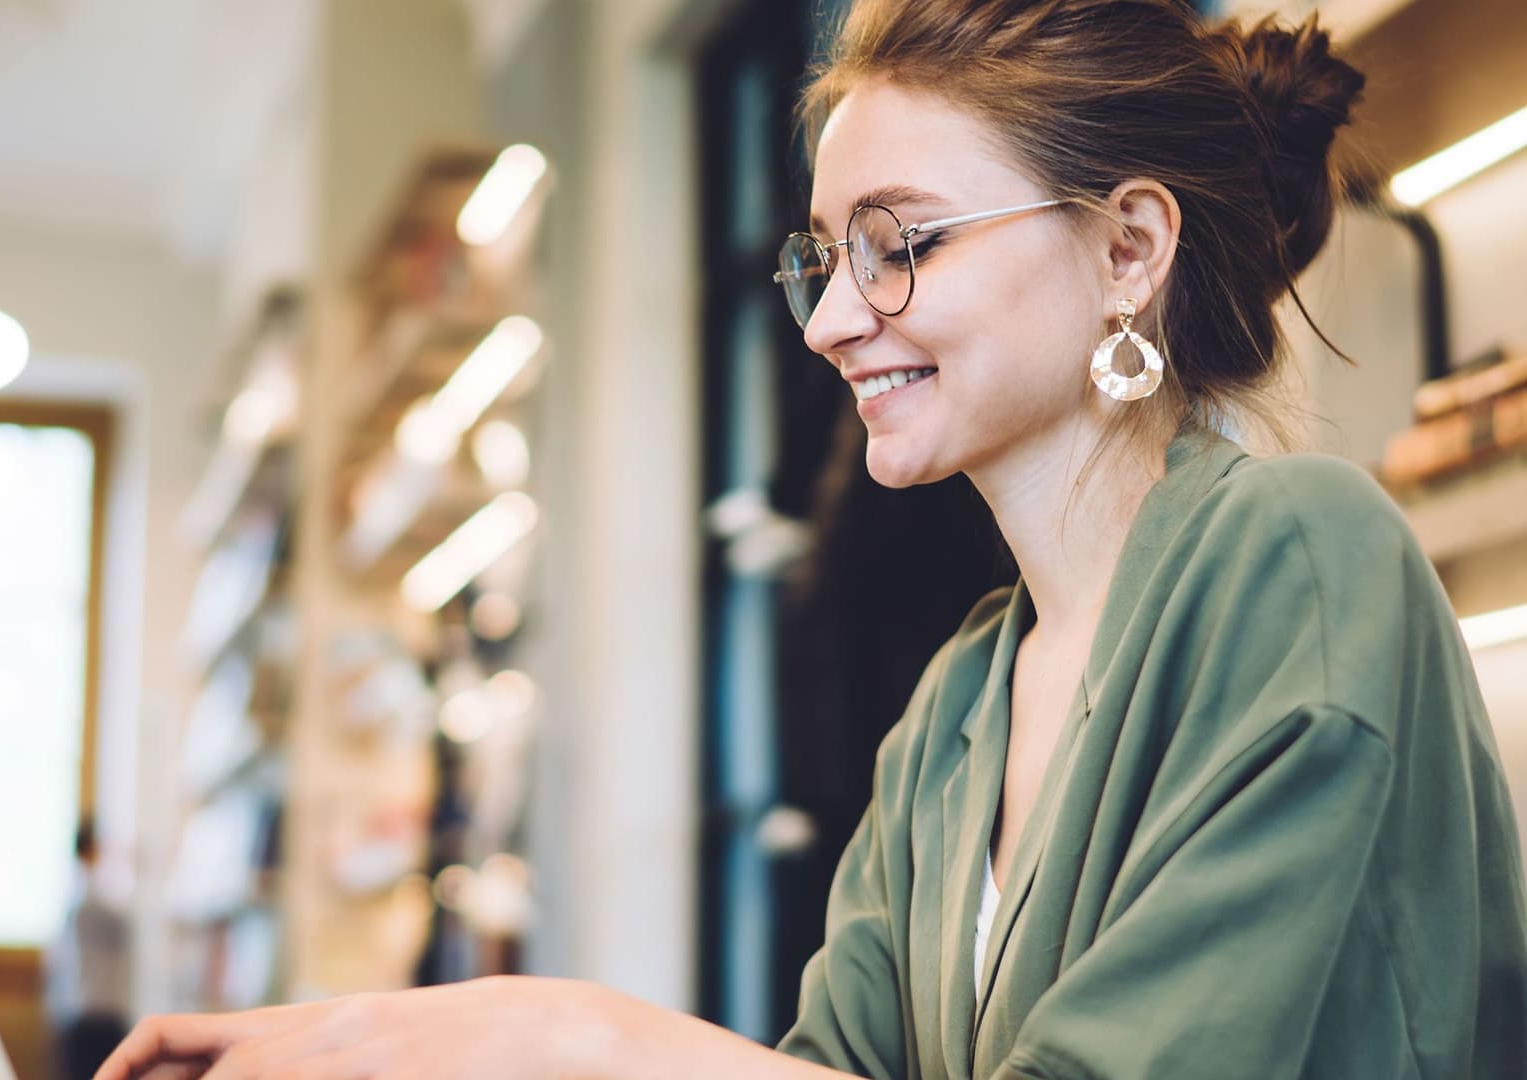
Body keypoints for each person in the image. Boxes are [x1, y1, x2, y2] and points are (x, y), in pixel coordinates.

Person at [91, 0, 1527, 1076]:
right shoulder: (961, 703)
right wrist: (385, 1039)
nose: (836, 318)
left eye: (904, 243)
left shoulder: (1301, 553)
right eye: (826, 255)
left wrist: (566, 1031)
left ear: (1129, 252)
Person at [47, 817, 133, 1080]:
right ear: (93, 847)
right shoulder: (89, 895)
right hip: (94, 1011)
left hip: (80, 1009)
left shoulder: (72, 893)